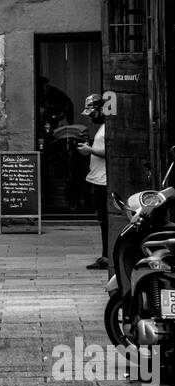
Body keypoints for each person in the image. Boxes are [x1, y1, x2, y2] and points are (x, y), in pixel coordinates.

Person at [77, 93, 108, 268]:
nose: (90, 119)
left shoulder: (107, 128)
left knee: (104, 220)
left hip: (103, 180)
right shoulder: (102, 128)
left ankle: (107, 256)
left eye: (92, 114)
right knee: (102, 220)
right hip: (98, 178)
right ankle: (105, 255)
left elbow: (109, 152)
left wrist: (90, 150)